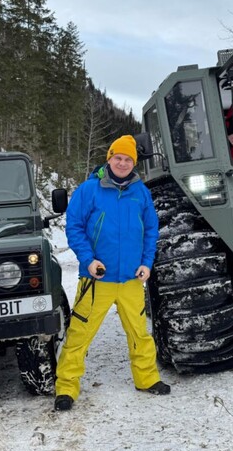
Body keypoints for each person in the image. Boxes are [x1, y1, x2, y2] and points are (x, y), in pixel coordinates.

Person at [54, 135, 169, 411]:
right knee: (80, 334)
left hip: (131, 279)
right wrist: (88, 260)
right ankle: (66, 388)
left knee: (140, 333)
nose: (122, 163)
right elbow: (75, 228)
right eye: (118, 157)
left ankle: (147, 379)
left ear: (133, 163)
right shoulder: (88, 190)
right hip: (97, 279)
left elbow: (151, 230)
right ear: (109, 158)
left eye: (128, 159)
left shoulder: (141, 192)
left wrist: (146, 263)